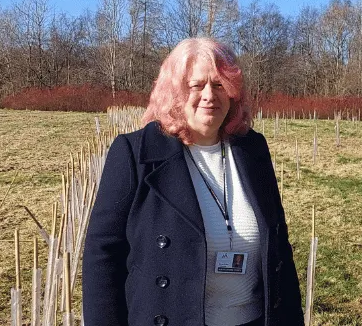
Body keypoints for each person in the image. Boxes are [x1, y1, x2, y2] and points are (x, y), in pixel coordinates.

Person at [82, 37, 302, 326]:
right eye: (197, 85)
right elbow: (103, 257)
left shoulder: (252, 150)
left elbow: (279, 247)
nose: (210, 95)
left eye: (220, 84)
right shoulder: (134, 154)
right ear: (173, 92)